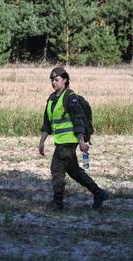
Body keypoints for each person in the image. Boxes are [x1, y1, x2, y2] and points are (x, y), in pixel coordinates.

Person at [39, 67, 111, 210]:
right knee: (74, 172)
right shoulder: (52, 99)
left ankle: (57, 203)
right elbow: (47, 123)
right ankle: (99, 193)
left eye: (56, 80)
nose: (53, 82)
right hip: (60, 141)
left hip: (69, 142)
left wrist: (82, 141)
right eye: (52, 80)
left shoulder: (70, 98)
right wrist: (42, 142)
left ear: (65, 80)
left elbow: (78, 121)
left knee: (57, 170)